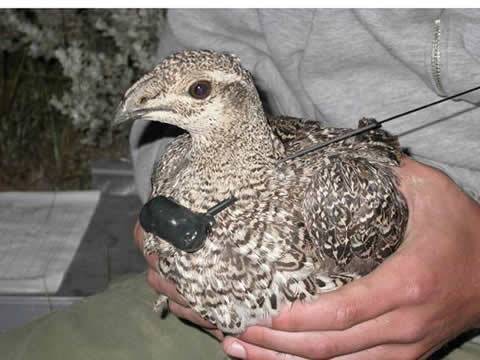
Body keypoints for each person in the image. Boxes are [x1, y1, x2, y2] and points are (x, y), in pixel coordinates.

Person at [2, 9, 480, 360]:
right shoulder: (176, 161)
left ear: (236, 100)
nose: (142, 99)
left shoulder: (334, 195)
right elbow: (200, 43)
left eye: (197, 92)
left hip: (431, 316)